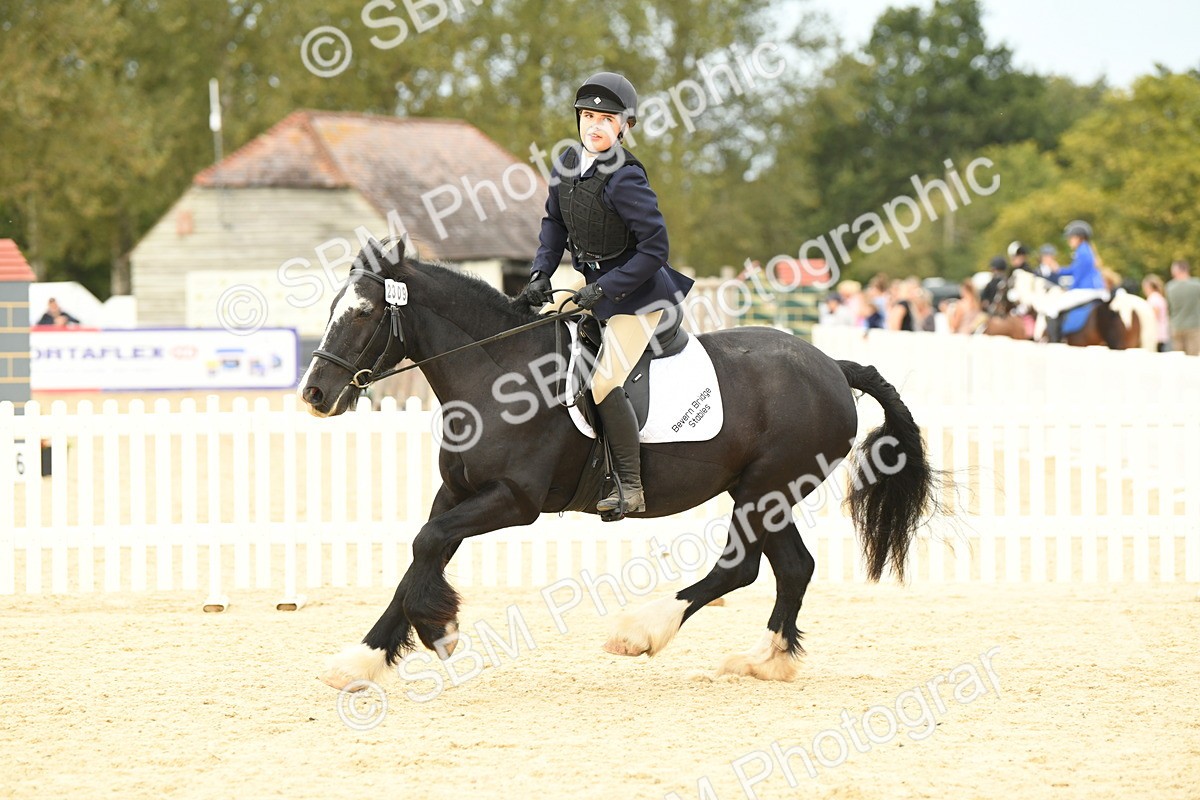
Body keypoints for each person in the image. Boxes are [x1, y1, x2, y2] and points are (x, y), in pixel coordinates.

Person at [520, 71, 694, 516]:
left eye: (606, 119)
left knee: (603, 380)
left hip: (638, 296)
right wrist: (541, 271)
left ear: (624, 126)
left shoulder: (626, 179)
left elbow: (656, 249)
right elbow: (554, 224)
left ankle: (630, 485)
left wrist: (603, 289)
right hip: (592, 284)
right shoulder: (565, 165)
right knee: (538, 326)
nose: (594, 125)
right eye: (588, 115)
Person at [1044, 220, 1107, 343]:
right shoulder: (1087, 250)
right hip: (1098, 290)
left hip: (1086, 290)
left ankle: (1055, 343)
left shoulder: (1082, 252)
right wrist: (1059, 270)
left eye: (1070, 238)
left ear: (1079, 238)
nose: (1069, 241)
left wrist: (1070, 289)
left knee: (1052, 309)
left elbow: (1078, 276)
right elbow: (1074, 269)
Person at [1166, 260, 1200, 356]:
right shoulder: (1197, 285)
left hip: (1176, 327)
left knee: (1179, 359)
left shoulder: (1169, 287)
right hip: (1194, 327)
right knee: (1193, 359)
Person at [1141, 274, 1171, 352]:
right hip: (1162, 333)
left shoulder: (1153, 298)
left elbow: (1153, 316)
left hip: (1157, 334)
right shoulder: (1159, 297)